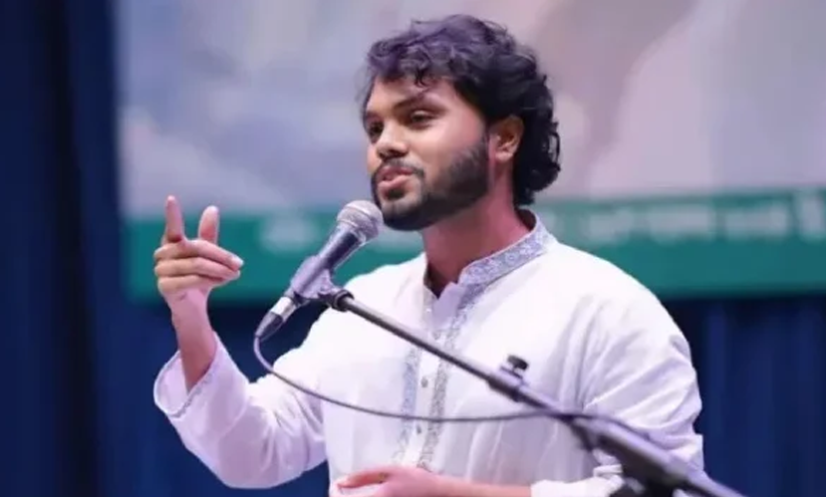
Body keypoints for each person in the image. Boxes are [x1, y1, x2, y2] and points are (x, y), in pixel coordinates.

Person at [152, 14, 704, 497]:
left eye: (417, 118)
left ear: (504, 139)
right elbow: (253, 451)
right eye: (375, 127)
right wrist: (191, 316)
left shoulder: (606, 311)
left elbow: (669, 491)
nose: (386, 143)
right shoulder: (362, 308)